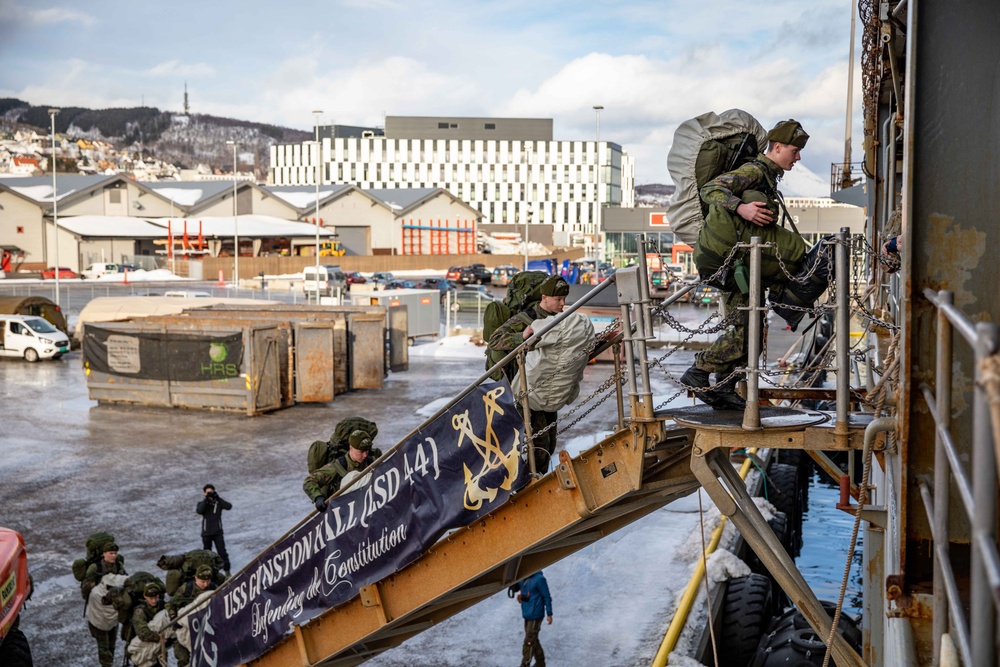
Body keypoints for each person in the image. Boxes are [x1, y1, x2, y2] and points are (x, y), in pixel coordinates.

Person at [681, 119, 810, 410]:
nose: (798, 157)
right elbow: (711, 190)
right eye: (794, 150)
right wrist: (742, 207)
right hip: (733, 265)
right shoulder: (755, 170)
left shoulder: (768, 176)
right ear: (777, 147)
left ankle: (722, 387)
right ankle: (698, 372)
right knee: (743, 333)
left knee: (751, 333)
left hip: (744, 265)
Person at [488, 275, 570, 472]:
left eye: (564, 299)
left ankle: (536, 478)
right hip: (527, 389)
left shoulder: (559, 320)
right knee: (539, 442)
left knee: (550, 441)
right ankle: (529, 483)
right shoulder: (526, 317)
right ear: (544, 298)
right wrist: (522, 336)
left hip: (547, 386)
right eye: (558, 299)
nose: (562, 304)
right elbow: (495, 340)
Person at [304, 429, 380, 511]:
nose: (365, 455)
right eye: (361, 451)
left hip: (369, 506)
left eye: (367, 451)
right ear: (351, 447)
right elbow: (309, 481)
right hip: (346, 510)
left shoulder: (372, 461)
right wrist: (318, 497)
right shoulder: (337, 467)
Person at [83, 542, 127, 667]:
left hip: (113, 609)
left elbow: (125, 580)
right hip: (98, 609)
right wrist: (101, 587)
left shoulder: (118, 566)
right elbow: (85, 587)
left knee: (112, 642)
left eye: (115, 553)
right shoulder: (95, 567)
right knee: (103, 643)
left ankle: (109, 662)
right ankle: (106, 664)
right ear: (104, 554)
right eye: (111, 553)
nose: (113, 556)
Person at [168, 565, 217, 667]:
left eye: (207, 581)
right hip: (185, 629)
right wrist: (173, 618)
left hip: (206, 629)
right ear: (196, 578)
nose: (205, 584)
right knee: (183, 660)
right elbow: (171, 604)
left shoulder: (213, 588)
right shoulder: (186, 589)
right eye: (202, 581)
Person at [511, 571, 553, 667]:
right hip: (526, 613)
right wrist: (512, 586)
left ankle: (525, 664)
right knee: (533, 639)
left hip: (536, 614)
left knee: (529, 641)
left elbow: (546, 596)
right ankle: (540, 662)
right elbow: (517, 586)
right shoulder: (523, 576)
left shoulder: (539, 579)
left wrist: (549, 614)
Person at [196, 483, 232, 574]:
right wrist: (206, 500)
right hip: (206, 533)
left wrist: (218, 498)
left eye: (211, 492)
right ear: (204, 493)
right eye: (208, 493)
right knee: (207, 555)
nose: (210, 494)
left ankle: (227, 572)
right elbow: (199, 511)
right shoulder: (202, 503)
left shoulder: (218, 503)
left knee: (222, 553)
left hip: (217, 532)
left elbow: (229, 506)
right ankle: (208, 573)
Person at [127, 583, 166, 667]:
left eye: (156, 597)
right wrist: (160, 638)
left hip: (158, 649)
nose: (154, 601)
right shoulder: (140, 611)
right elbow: (143, 633)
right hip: (142, 649)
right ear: (145, 596)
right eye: (151, 598)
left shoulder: (162, 605)